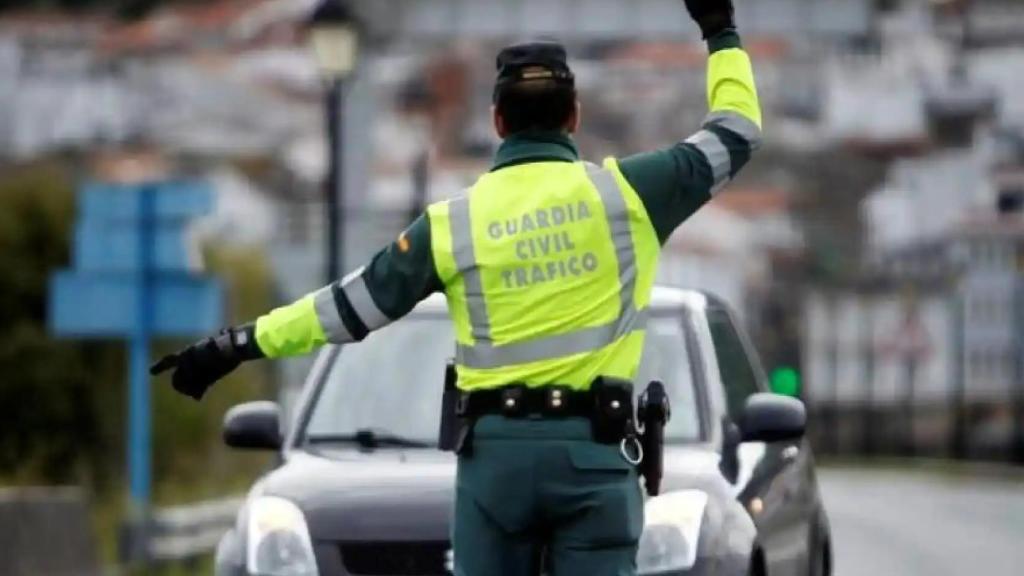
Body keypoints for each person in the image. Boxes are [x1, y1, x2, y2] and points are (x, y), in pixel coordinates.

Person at [152, 0, 760, 573]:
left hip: (495, 465)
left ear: (498, 122)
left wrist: (237, 344)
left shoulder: (452, 225)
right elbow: (735, 133)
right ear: (574, 116)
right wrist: (719, 30)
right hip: (594, 460)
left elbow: (347, 308)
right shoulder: (629, 196)